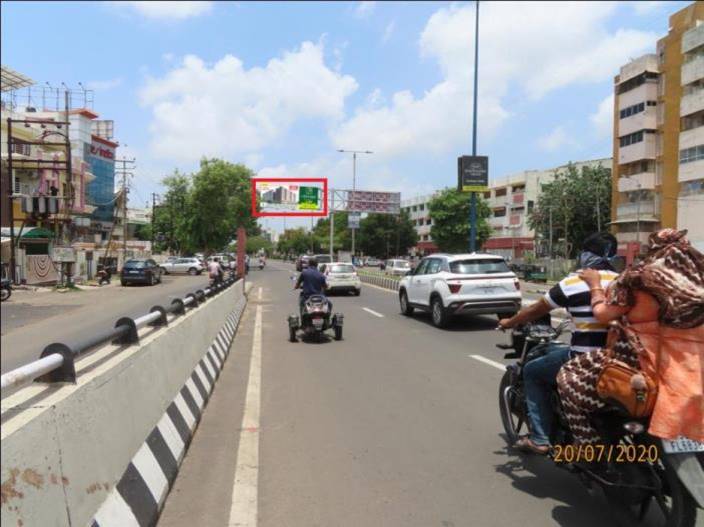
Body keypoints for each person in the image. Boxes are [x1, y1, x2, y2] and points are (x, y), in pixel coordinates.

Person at [557, 229, 704, 445]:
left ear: (654, 249)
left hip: (641, 358)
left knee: (568, 378)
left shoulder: (638, 277)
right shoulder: (698, 280)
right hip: (690, 364)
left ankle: (588, 446)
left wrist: (595, 286)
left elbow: (604, 315)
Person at [498, 232, 621, 454]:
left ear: (585, 255)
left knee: (533, 371)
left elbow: (537, 309)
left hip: (584, 359)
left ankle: (540, 439)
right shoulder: (624, 281)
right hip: (622, 360)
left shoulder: (575, 282)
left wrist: (510, 321)